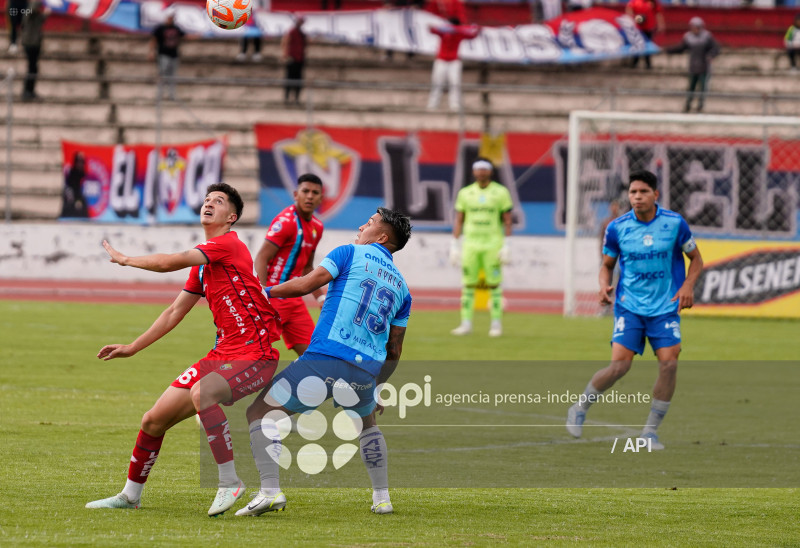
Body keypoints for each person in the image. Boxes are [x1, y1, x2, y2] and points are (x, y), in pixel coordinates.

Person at [85, 183, 282, 516]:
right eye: (206, 200)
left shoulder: (227, 245)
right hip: (223, 353)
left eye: (217, 202)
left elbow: (167, 263)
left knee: (202, 393)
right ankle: (131, 496)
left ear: (231, 217)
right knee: (152, 420)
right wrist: (133, 347)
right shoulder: (204, 264)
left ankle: (229, 482)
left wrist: (126, 259)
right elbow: (174, 312)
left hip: (256, 352)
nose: (208, 204)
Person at [237, 208, 412, 517]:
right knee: (367, 423)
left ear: (382, 237)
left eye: (369, 223)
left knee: (259, 412)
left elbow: (306, 284)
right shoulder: (402, 287)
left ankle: (269, 491)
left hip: (325, 360)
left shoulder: (349, 253)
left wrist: (264, 292)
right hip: (365, 371)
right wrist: (377, 387)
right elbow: (395, 350)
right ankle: (382, 499)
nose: (362, 225)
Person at [565, 170, 703, 450]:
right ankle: (580, 407)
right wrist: (603, 286)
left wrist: (688, 286)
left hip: (664, 307)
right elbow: (607, 266)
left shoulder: (675, 224)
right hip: (630, 307)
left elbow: (696, 260)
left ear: (656, 195)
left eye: (643, 192)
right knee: (619, 366)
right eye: (633, 192)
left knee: (669, 363)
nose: (637, 197)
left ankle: (649, 433)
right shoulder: (617, 228)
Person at [255, 173, 325, 357]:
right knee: (253, 355)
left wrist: (320, 298)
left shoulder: (317, 226)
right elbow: (262, 257)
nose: (310, 196)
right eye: (305, 191)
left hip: (294, 300)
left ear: (320, 198)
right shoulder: (285, 222)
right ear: (296, 194)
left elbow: (307, 268)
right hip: (274, 297)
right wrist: (262, 295)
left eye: (315, 192)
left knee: (315, 357)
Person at [449, 158, 513, 338]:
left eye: (485, 169)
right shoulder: (465, 193)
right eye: (478, 169)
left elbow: (508, 220)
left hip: (492, 243)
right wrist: (454, 245)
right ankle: (466, 323)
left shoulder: (501, 192)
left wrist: (508, 244)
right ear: (474, 172)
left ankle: (496, 324)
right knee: (468, 285)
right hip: (471, 244)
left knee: (494, 285)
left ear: (490, 171)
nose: (481, 172)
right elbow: (459, 219)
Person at [426, 17, 480, 112]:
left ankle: (454, 105)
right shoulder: (443, 32)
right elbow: (431, 29)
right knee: (437, 83)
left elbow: (473, 35)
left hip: (454, 62)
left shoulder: (459, 33)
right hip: (441, 61)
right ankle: (432, 105)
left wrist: (479, 28)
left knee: (455, 84)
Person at [667, 17, 719, 113]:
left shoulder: (707, 37)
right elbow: (681, 48)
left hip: (704, 67)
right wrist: (669, 50)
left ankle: (700, 106)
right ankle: (688, 105)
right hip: (693, 67)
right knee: (691, 88)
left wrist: (711, 55)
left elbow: (715, 48)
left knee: (703, 88)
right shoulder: (688, 37)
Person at [150, 13, 185, 101]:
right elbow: (154, 40)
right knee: (162, 75)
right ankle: (160, 94)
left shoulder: (176, 28)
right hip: (163, 54)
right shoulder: (160, 28)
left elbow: (183, 36)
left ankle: (171, 95)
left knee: (172, 76)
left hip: (174, 55)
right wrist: (151, 52)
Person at [20, 0, 48, 102]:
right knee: (32, 68)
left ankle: (30, 90)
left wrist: (45, 14)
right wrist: (36, 2)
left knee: (33, 68)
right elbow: (29, 14)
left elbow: (40, 20)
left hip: (35, 43)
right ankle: (27, 91)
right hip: (30, 43)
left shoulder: (36, 14)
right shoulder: (29, 11)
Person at [626, 0, 664, 69]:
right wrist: (635, 19)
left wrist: (660, 24)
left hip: (649, 28)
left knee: (648, 45)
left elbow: (658, 13)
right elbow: (629, 12)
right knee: (637, 45)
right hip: (637, 28)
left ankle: (648, 64)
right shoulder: (635, 2)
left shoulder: (653, 2)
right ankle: (634, 63)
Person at [281, 15, 307, 105]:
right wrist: (285, 54)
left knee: (298, 79)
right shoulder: (292, 31)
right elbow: (285, 41)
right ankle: (287, 98)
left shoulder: (301, 33)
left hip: (300, 58)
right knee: (289, 78)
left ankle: (296, 98)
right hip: (292, 58)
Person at [61, 151, 88, 218]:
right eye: (79, 162)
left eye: (82, 162)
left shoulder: (84, 175)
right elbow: (70, 189)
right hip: (72, 205)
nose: (80, 164)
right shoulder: (72, 175)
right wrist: (76, 200)